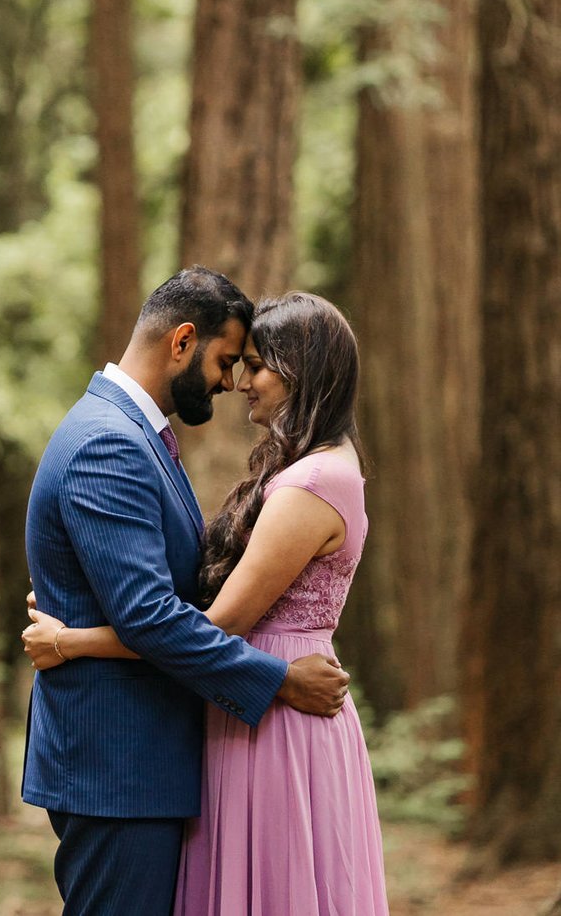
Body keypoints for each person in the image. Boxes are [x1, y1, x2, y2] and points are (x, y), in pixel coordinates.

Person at [24, 290, 389, 916]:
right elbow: (150, 615)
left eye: (251, 364)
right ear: (181, 341)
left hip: (196, 745)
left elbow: (180, 609)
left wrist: (73, 639)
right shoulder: (110, 440)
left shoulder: (133, 434)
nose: (233, 381)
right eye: (228, 361)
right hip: (122, 764)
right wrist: (277, 679)